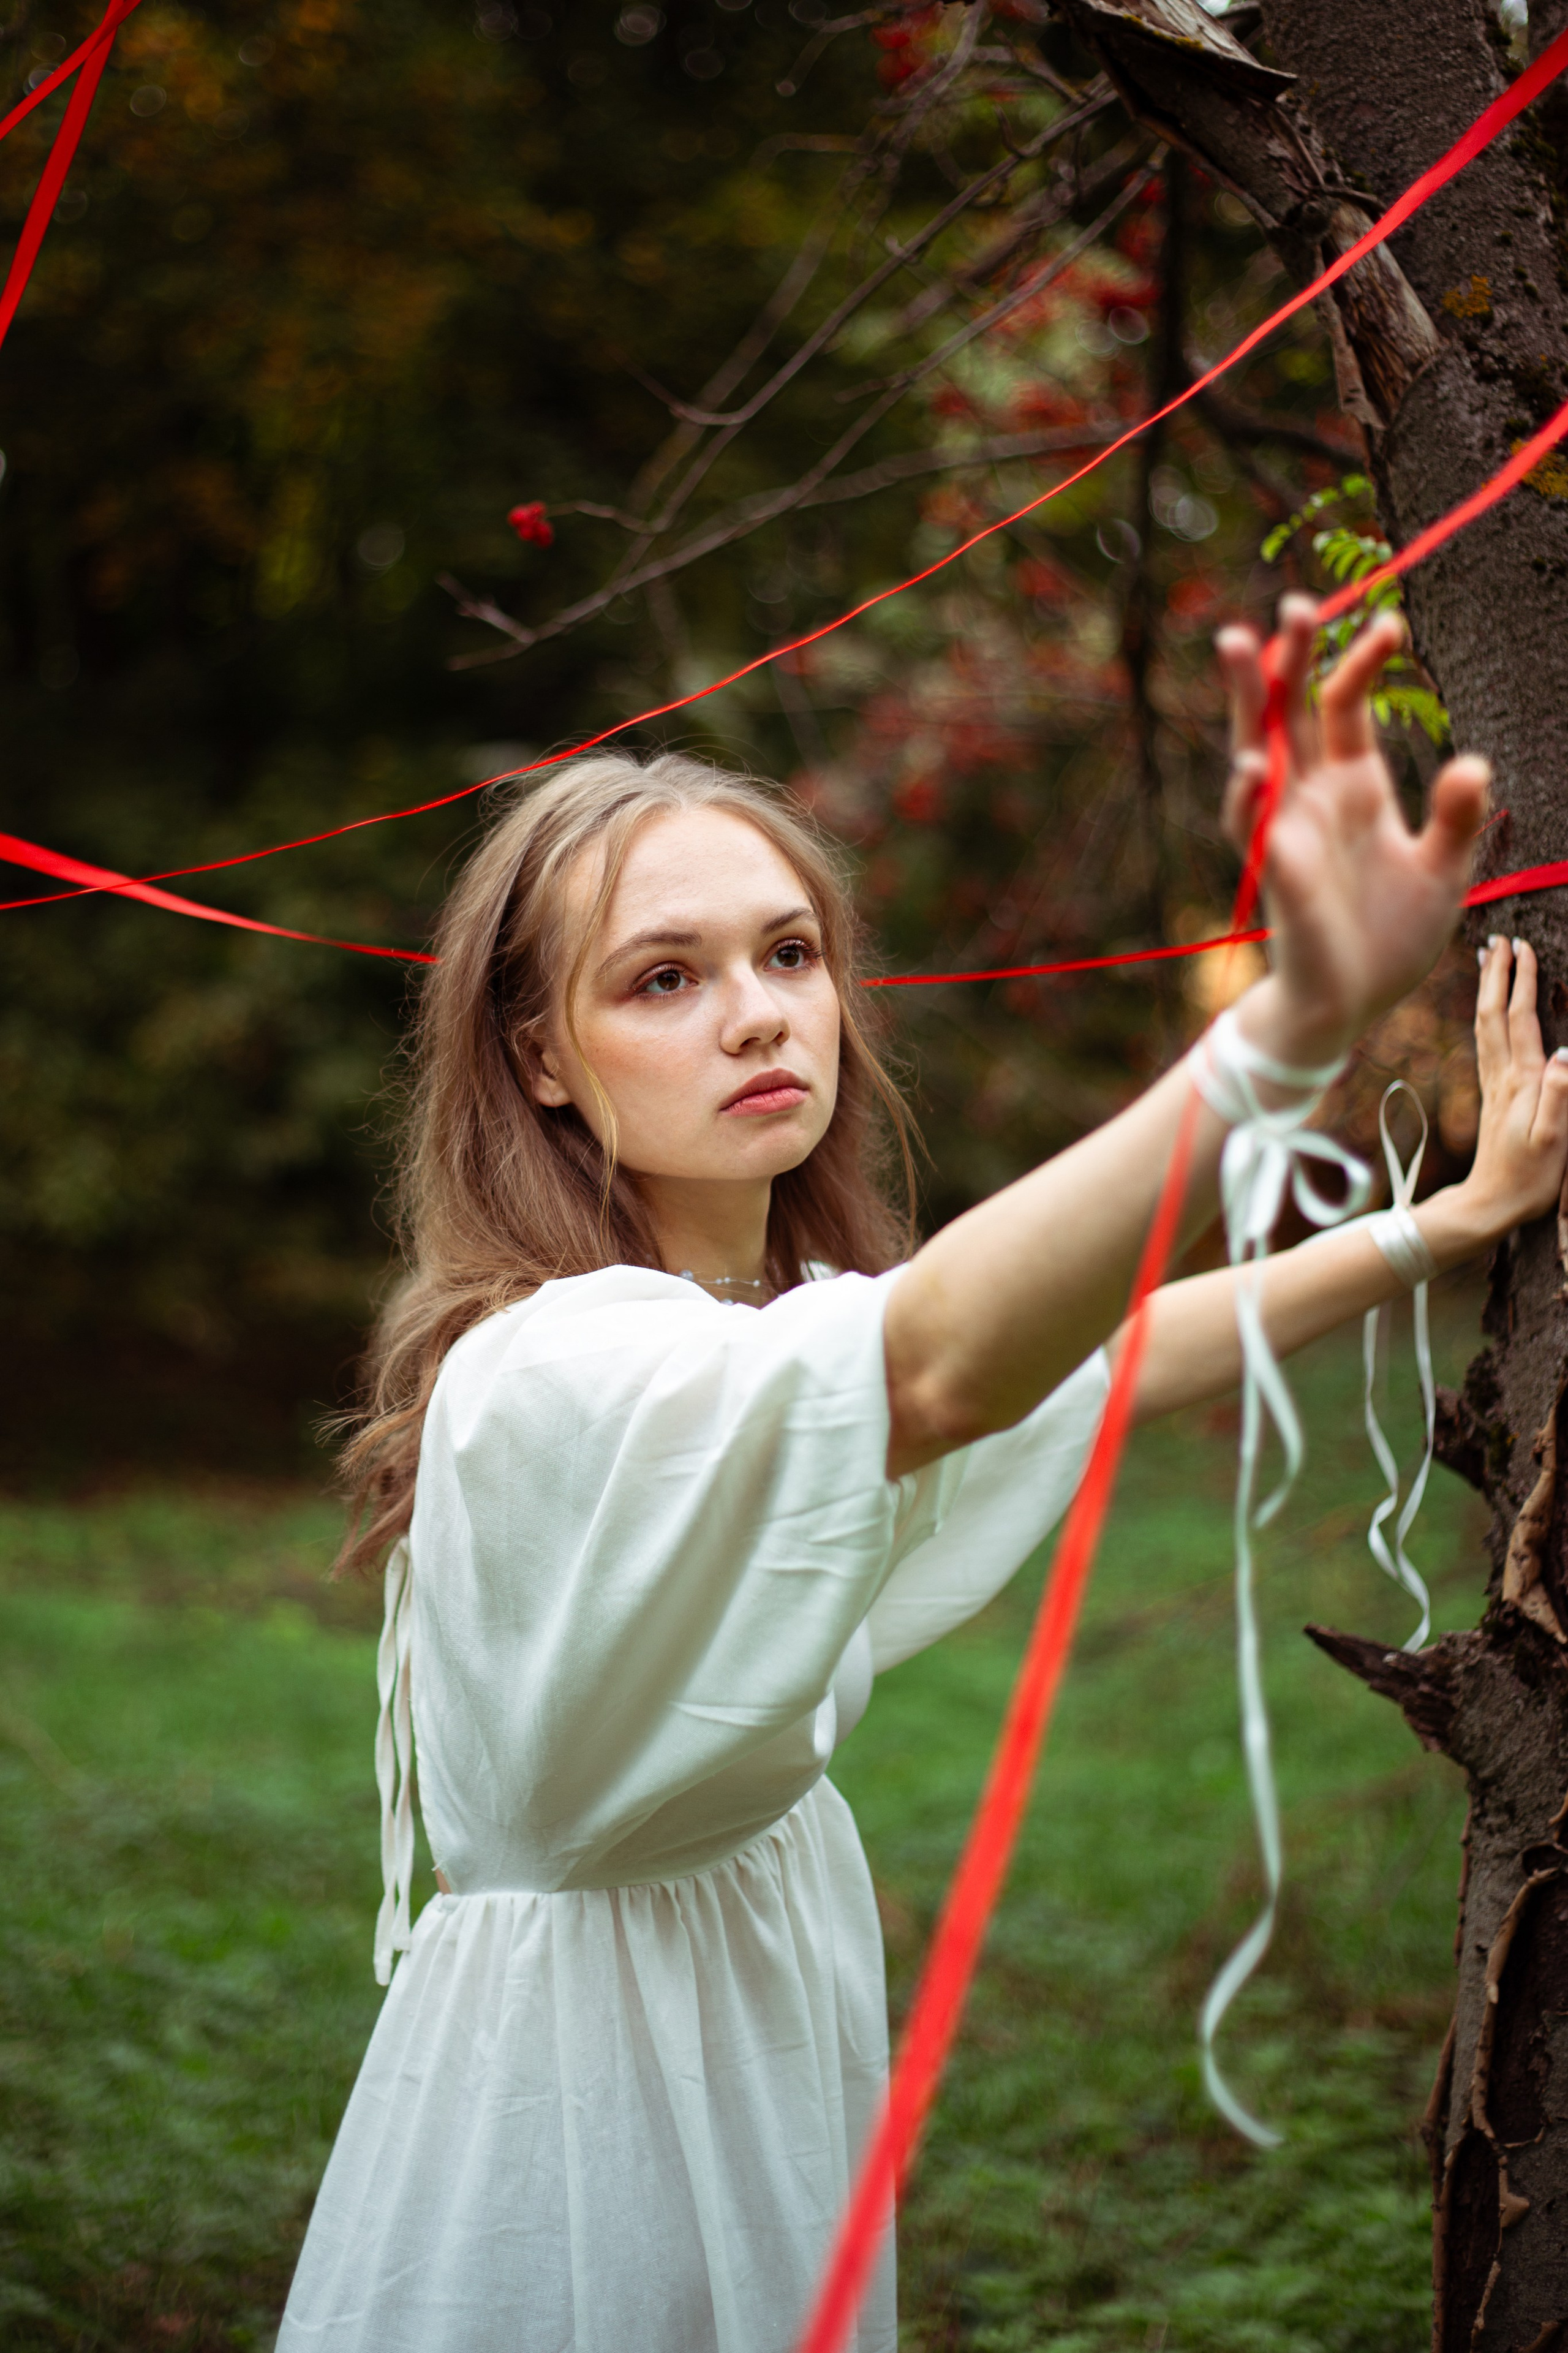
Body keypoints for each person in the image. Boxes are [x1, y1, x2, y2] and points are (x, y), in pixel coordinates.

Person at [276, 600, 1568, 2353]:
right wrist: (1279, 1032)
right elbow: (947, 1355)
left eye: (788, 954)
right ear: (536, 1056)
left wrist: (1450, 1223)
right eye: (665, 977)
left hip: (749, 2015)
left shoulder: (767, 1323)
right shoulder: (559, 1366)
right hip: (572, 2108)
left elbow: (1097, 1357)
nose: (755, 1016)